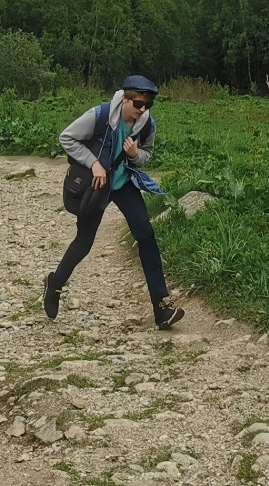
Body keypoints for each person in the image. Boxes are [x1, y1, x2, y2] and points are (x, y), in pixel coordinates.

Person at [45, 75, 184, 329]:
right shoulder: (100, 115)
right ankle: (54, 284)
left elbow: (146, 155)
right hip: (97, 185)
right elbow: (67, 138)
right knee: (84, 243)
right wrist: (94, 163)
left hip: (123, 184)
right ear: (125, 98)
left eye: (148, 105)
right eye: (138, 103)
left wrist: (135, 154)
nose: (142, 110)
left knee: (145, 234)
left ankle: (161, 308)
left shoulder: (147, 125)